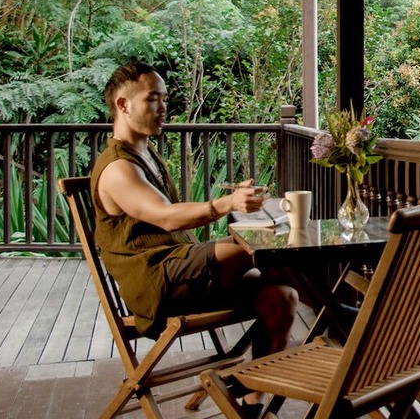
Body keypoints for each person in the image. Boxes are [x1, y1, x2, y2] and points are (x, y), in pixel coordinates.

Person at [91, 61, 297, 414]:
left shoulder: (145, 153)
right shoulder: (117, 168)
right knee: (257, 250)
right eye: (152, 99)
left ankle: (252, 405)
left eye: (164, 99)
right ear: (123, 105)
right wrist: (227, 203)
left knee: (282, 297)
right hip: (155, 279)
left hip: (181, 267)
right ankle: (339, 313)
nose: (162, 107)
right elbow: (165, 217)